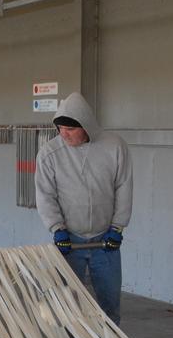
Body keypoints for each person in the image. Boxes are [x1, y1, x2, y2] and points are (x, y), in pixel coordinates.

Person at [34, 91, 133, 324]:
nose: (63, 134)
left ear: (86, 126)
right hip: (70, 242)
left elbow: (124, 187)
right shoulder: (50, 154)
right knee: (65, 307)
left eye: (70, 129)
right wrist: (57, 228)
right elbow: (45, 195)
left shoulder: (114, 147)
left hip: (105, 242)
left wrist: (117, 228)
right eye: (60, 129)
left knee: (109, 304)